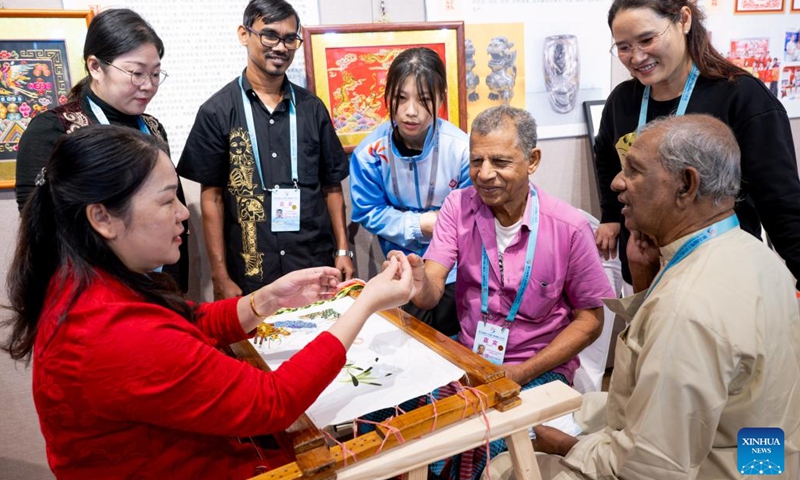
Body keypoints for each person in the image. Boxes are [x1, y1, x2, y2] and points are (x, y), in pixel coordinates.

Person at [1, 124, 418, 480]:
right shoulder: (110, 332)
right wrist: (364, 305)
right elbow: (271, 402)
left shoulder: (88, 283)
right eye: (167, 201)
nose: (184, 214)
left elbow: (187, 320)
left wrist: (266, 299)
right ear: (103, 217)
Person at [527, 115, 800, 480]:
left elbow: (650, 467)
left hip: (713, 467)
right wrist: (643, 278)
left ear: (686, 185)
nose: (617, 183)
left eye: (634, 171)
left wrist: (567, 448)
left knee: (511, 466)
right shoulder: (754, 254)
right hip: (763, 456)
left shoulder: (688, 308)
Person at [393, 105, 613, 479]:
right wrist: (417, 281)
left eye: (500, 161)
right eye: (476, 160)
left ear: (533, 161)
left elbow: (591, 321)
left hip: (539, 366)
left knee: (474, 445)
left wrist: (522, 372)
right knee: (395, 424)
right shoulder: (457, 207)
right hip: (469, 360)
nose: (484, 174)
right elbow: (429, 295)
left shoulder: (569, 227)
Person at [593, 0, 800, 289]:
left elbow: (781, 203)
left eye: (647, 39)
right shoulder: (622, 100)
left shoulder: (741, 98)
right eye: (624, 47)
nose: (637, 57)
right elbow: (604, 155)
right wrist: (611, 215)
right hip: (645, 271)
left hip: (720, 277)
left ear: (684, 20)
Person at [177, 0, 352, 300]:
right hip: (251, 272)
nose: (281, 47)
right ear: (244, 35)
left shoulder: (313, 109)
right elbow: (213, 199)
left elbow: (332, 186)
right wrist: (219, 275)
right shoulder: (217, 111)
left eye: (289, 38)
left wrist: (343, 250)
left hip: (313, 264)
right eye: (270, 35)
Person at [13, 8, 190, 292]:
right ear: (95, 66)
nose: (148, 86)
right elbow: (40, 229)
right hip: (93, 292)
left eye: (155, 74)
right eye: (136, 73)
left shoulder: (153, 128)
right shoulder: (54, 129)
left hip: (158, 284)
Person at [349, 47, 471, 336]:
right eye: (401, 98)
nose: (410, 111)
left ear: (441, 99)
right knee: (411, 352)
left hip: (455, 273)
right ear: (387, 97)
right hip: (400, 272)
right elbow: (368, 210)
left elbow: (471, 213)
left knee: (458, 352)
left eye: (424, 99)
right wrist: (418, 225)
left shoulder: (462, 149)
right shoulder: (368, 153)